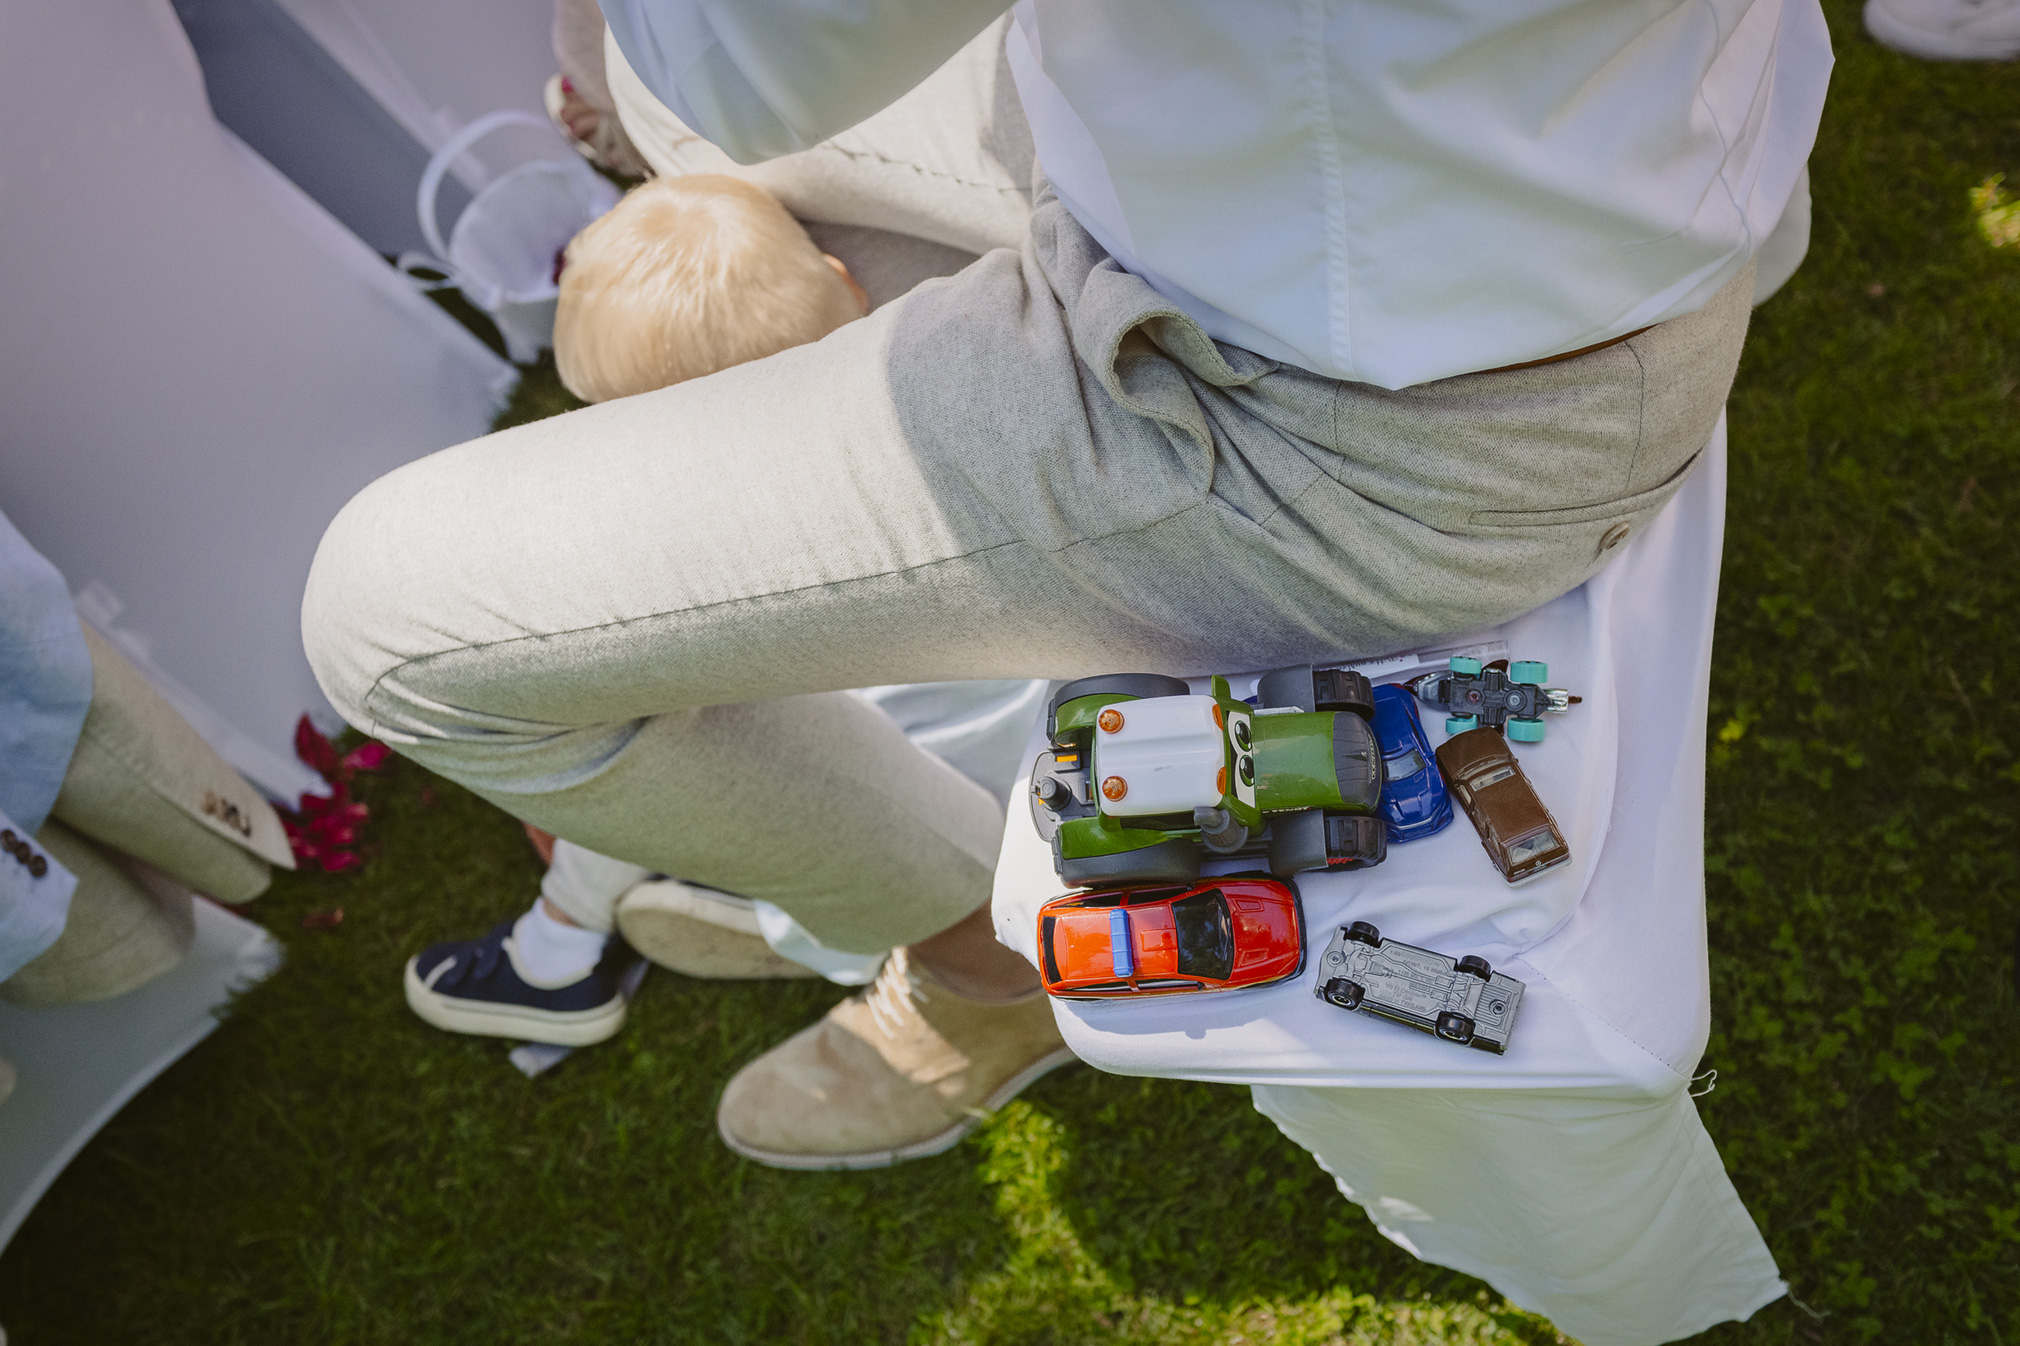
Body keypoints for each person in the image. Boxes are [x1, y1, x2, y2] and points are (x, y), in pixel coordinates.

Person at [303, 3, 1828, 1328]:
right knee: (649, 98)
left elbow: (750, 60)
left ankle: (983, 958)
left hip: (1377, 405)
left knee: (390, 626)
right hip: (1514, 165)